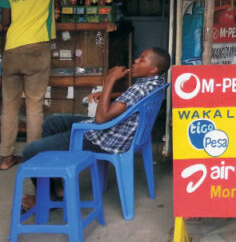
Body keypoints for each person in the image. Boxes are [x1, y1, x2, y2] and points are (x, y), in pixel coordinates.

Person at [17, 47, 170, 210]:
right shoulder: (156, 83)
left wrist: (109, 81)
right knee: (53, 123)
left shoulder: (139, 89)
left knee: (31, 151)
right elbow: (131, 99)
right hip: (123, 133)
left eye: (142, 60)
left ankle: (47, 197)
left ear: (152, 69)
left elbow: (101, 119)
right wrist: (108, 96)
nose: (135, 61)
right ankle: (57, 189)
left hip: (104, 139)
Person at [0, 0, 68, 171]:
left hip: (12, 47)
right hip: (37, 46)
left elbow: (5, 21)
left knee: (9, 104)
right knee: (34, 104)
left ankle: (7, 157)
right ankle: (33, 157)